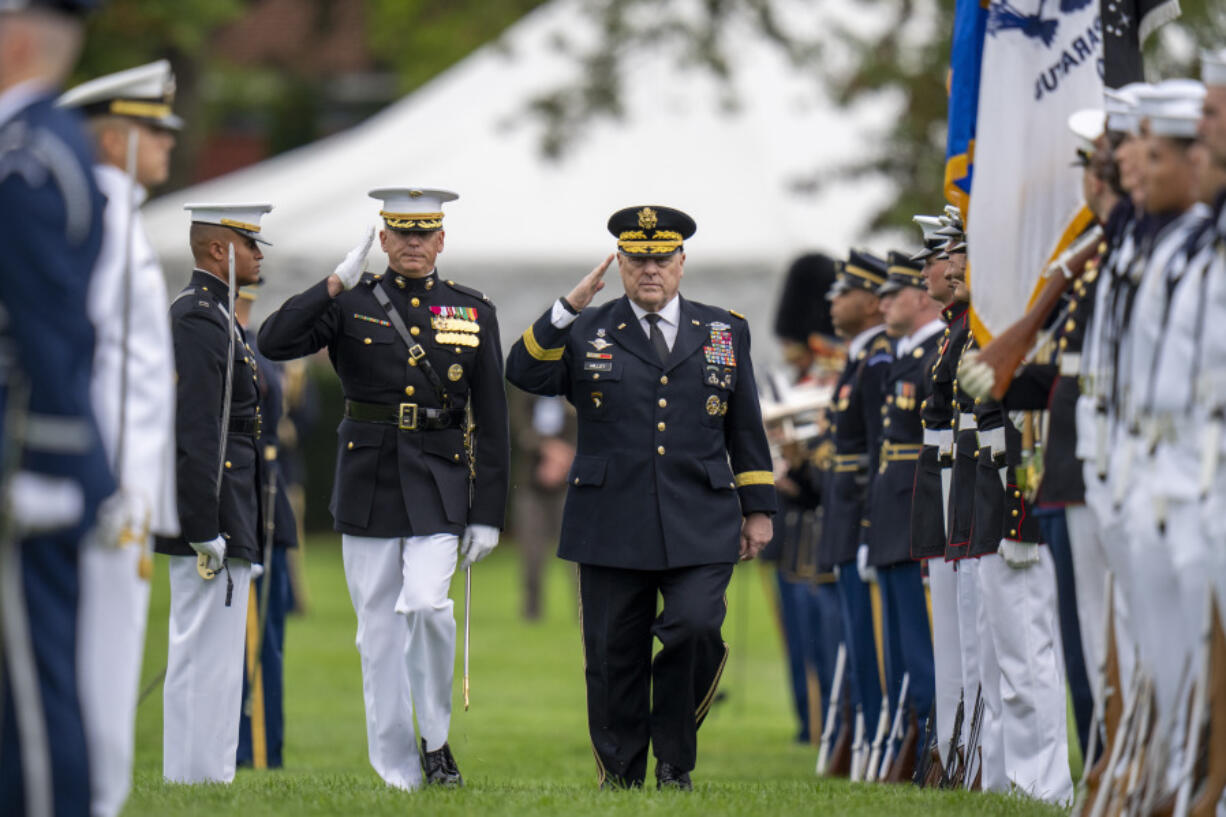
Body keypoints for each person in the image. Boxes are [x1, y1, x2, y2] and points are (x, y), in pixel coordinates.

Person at [505, 205, 776, 790]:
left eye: (661, 258)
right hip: (611, 516)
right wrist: (567, 306)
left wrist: (758, 509)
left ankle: (674, 759)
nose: (650, 269)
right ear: (619, 264)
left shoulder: (725, 330)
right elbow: (522, 371)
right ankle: (621, 774)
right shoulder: (586, 328)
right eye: (637, 259)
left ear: (682, 262)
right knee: (613, 653)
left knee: (696, 629)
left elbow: (745, 427)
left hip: (701, 515)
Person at [258, 188, 510, 790]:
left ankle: (436, 740)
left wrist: (489, 512)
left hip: (440, 477)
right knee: (378, 632)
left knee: (427, 605)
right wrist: (332, 285)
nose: (415, 245)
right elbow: (273, 341)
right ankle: (399, 772)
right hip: (368, 477)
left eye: (426, 234)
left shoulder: (472, 311)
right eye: (403, 234)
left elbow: (494, 420)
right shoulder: (352, 303)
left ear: (442, 240)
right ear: (385, 239)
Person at [56, 59, 180, 817]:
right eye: (152, 128)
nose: (168, 141)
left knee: (110, 666)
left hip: (125, 485)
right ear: (113, 138)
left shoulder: (121, 217)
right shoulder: (100, 219)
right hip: (105, 486)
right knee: (98, 672)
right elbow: (79, 349)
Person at [0, 3, 113, 816]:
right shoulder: (41, 150)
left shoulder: (28, 160)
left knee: (32, 711)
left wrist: (48, 461)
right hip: (32, 458)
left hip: (24, 465)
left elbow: (51, 328)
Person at [157, 203, 271, 784]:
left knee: (220, 655)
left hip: (231, 501)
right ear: (218, 250)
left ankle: (208, 773)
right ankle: (193, 774)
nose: (259, 256)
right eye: (251, 245)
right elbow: (198, 427)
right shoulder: (198, 317)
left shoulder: (218, 315)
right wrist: (203, 521)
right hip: (214, 506)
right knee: (203, 648)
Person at [865, 251, 943, 778]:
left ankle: (934, 740)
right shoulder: (902, 355)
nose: (883, 303)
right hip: (893, 501)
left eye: (893, 294)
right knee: (899, 635)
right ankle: (919, 735)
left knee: (921, 636)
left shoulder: (933, 351)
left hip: (918, 500)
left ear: (920, 296)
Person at [817, 250, 892, 764]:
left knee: (872, 643)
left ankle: (879, 740)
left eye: (844, 293)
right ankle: (864, 738)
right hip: (843, 516)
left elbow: (876, 451)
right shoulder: (861, 359)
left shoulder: (878, 361)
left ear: (869, 301)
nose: (834, 302)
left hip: (860, 517)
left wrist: (868, 526)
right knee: (855, 638)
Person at [234, 286, 298, 770]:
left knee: (263, 639)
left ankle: (259, 752)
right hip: (246, 499)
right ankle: (252, 752)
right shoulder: (231, 340)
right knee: (250, 639)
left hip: (261, 498)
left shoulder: (249, 344)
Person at [508, 388, 575, 621]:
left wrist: (564, 458)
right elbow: (518, 424)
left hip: (570, 483)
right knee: (531, 550)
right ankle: (531, 611)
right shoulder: (525, 387)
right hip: (530, 481)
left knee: (576, 551)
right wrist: (549, 450)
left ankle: (583, 608)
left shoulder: (575, 381)